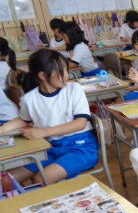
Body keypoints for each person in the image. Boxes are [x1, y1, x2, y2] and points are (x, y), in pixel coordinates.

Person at [0, 49, 98, 185]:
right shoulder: (29, 99)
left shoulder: (74, 89)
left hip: (80, 146)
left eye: (66, 71)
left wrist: (43, 132)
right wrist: (3, 129)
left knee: (40, 178)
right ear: (42, 75)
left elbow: (80, 123)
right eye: (61, 72)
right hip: (49, 148)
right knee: (5, 180)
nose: (66, 75)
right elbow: (23, 119)